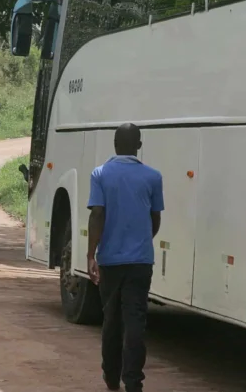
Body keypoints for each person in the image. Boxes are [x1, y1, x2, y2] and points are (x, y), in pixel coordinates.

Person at [87, 123, 164, 392]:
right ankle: (133, 383)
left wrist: (90, 254)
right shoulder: (153, 177)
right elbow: (155, 219)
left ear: (115, 144)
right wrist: (141, 242)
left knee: (112, 320)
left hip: (110, 261)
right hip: (141, 262)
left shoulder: (100, 174)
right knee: (135, 322)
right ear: (139, 146)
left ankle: (111, 377)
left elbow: (97, 214)